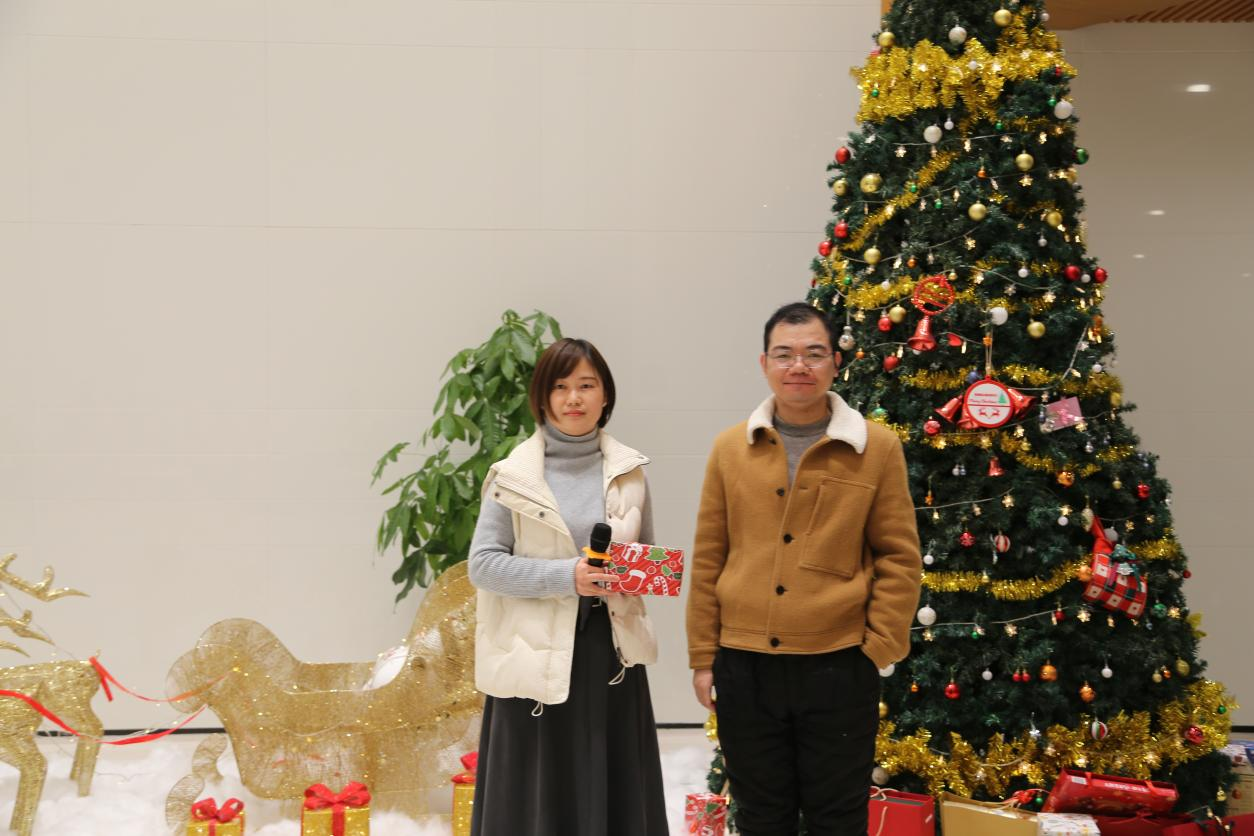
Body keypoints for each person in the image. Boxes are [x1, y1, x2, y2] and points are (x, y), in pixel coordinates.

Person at [686, 302, 922, 835]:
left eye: (814, 354)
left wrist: (878, 647)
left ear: (836, 362)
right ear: (764, 363)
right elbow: (708, 557)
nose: (799, 366)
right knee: (760, 816)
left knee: (836, 817)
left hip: (839, 664)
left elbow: (899, 555)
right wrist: (703, 657)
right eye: (784, 354)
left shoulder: (877, 448)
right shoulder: (730, 449)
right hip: (744, 664)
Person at [467, 337, 667, 836]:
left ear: (605, 395)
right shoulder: (512, 476)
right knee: (534, 798)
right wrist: (567, 576)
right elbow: (484, 566)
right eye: (560, 387)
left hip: (609, 655)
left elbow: (642, 554)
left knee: (613, 788)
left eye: (586, 385)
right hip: (532, 654)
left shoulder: (629, 473)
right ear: (542, 397)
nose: (573, 398)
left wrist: (642, 571)